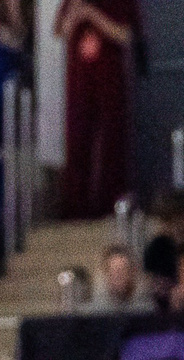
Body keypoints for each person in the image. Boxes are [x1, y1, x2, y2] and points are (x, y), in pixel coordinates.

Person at [54, 0, 136, 220]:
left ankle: (111, 206)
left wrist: (92, 15)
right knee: (78, 143)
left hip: (110, 83)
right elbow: (61, 31)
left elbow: (124, 34)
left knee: (112, 144)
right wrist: (76, 13)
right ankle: (76, 209)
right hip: (80, 85)